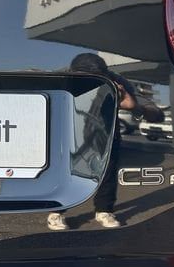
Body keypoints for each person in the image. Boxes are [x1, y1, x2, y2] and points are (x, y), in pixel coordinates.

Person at [47, 53, 161, 231]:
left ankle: (104, 210)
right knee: (66, 173)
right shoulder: (61, 77)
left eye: (97, 79)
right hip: (70, 133)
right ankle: (56, 211)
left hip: (106, 135)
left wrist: (133, 106)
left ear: (105, 75)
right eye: (84, 79)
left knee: (108, 173)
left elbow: (155, 113)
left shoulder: (116, 81)